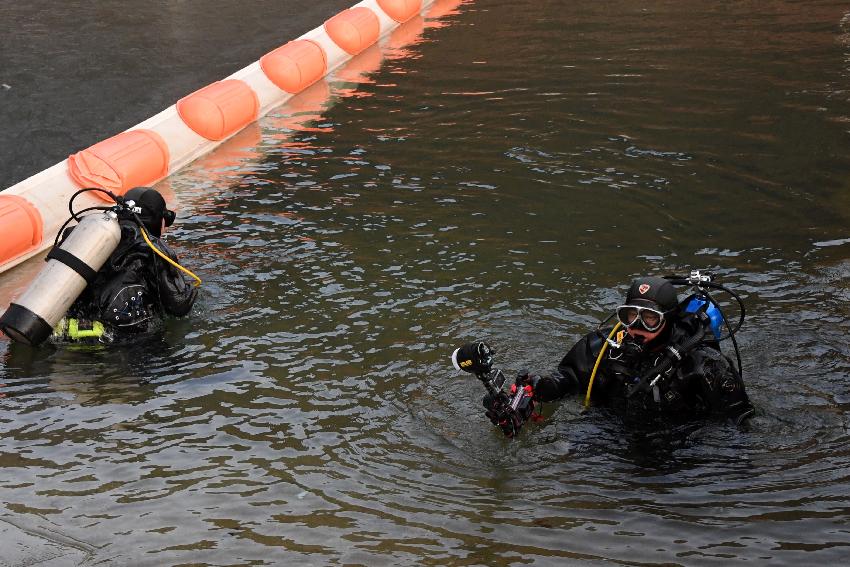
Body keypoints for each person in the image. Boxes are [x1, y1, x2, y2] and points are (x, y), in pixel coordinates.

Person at [473, 274, 754, 435]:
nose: (637, 327)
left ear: (668, 319)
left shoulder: (703, 364)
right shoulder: (605, 344)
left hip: (681, 440)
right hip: (609, 429)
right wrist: (544, 387)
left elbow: (738, 427)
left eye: (650, 319)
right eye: (631, 316)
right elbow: (570, 377)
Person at [53, 187, 198, 343]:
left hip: (65, 331)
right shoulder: (153, 248)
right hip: (118, 339)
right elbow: (179, 305)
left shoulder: (88, 233)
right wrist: (191, 289)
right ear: (157, 219)